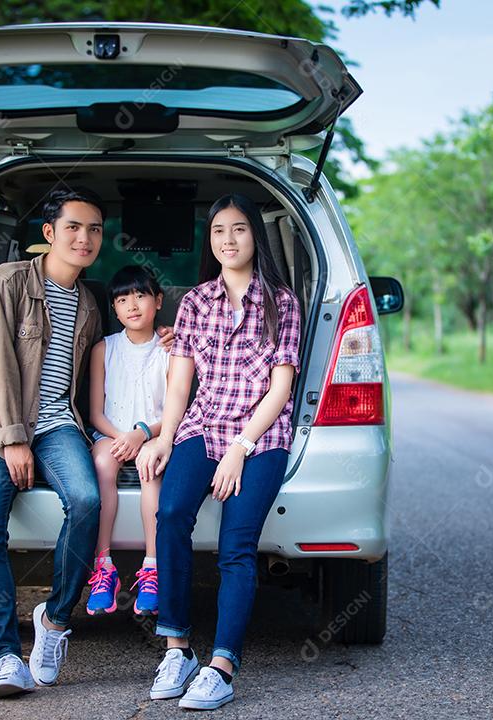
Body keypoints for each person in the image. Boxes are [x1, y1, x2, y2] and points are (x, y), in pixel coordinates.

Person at [0, 189, 173, 698]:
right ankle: (7, 657)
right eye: (74, 227)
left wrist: (167, 342)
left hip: (58, 424)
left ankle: (55, 622)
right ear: (49, 233)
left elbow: (113, 365)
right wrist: (14, 440)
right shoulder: (7, 281)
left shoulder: (90, 302)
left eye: (95, 229)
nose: (85, 238)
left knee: (84, 500)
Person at [136, 193, 302, 711]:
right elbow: (181, 379)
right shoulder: (195, 301)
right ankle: (178, 647)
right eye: (218, 232)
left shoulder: (283, 302)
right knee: (170, 515)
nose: (228, 241)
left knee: (236, 544)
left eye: (238, 230)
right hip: (202, 426)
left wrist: (241, 449)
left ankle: (222, 666)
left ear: (256, 235)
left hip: (261, 436)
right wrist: (164, 437)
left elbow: (280, 390)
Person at [85, 265, 171, 616]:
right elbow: (95, 413)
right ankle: (103, 567)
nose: (132, 305)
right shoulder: (103, 349)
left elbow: (176, 411)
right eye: (122, 299)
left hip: (154, 434)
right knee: (104, 462)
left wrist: (142, 435)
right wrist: (123, 438)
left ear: (158, 301)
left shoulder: (171, 348)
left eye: (140, 295)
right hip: (111, 433)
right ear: (114, 308)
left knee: (149, 465)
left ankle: (152, 567)